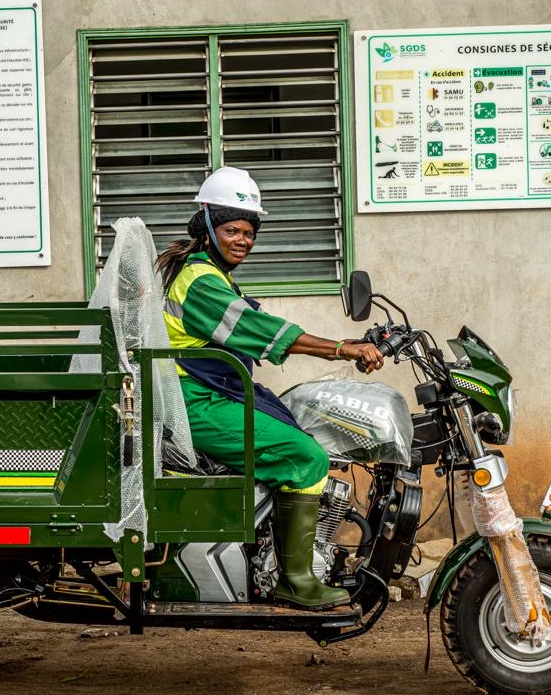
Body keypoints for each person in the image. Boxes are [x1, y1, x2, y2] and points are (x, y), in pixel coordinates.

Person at [157, 167, 384, 610]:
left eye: (249, 232)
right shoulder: (202, 281)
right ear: (207, 227)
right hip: (194, 403)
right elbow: (261, 331)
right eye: (232, 230)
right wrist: (343, 348)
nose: (242, 239)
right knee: (306, 458)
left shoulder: (209, 274)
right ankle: (295, 580)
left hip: (204, 396)